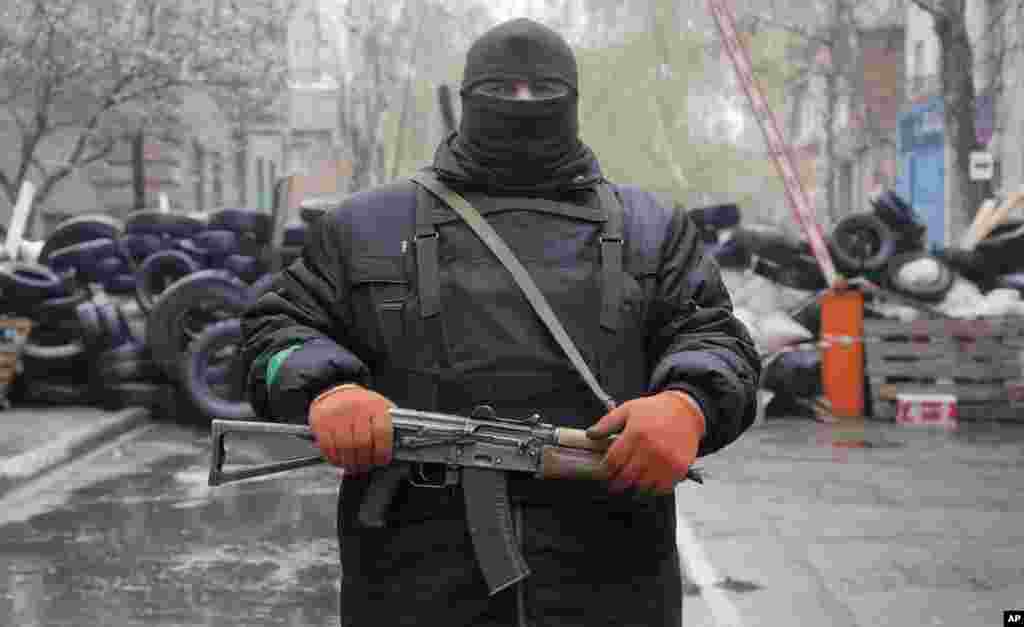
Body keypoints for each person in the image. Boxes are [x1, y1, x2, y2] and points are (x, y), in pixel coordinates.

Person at [241, 17, 760, 627]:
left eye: (542, 91)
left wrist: (688, 404)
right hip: (411, 587)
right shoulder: (364, 228)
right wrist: (327, 391)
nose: (522, 103)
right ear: (467, 99)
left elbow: (718, 341)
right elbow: (274, 334)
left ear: (572, 101)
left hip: (614, 583)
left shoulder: (652, 229)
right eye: (502, 89)